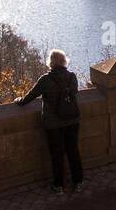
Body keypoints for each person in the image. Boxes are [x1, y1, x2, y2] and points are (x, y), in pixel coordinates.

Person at [16, 49, 84, 194]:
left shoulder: (45, 80)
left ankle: (58, 186)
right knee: (73, 151)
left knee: (57, 153)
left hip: (53, 124)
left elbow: (30, 97)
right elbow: (74, 92)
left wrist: (19, 101)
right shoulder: (72, 77)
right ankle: (78, 182)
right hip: (72, 120)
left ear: (51, 63)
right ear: (64, 61)